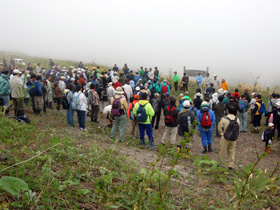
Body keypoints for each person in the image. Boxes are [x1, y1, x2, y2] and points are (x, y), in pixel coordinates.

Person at [218, 105, 240, 169]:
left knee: (222, 151)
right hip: (234, 137)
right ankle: (231, 165)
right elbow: (238, 129)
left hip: (225, 137)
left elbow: (219, 128)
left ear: (227, 111)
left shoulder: (224, 119)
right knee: (232, 151)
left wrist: (222, 134)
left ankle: (220, 163)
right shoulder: (237, 119)